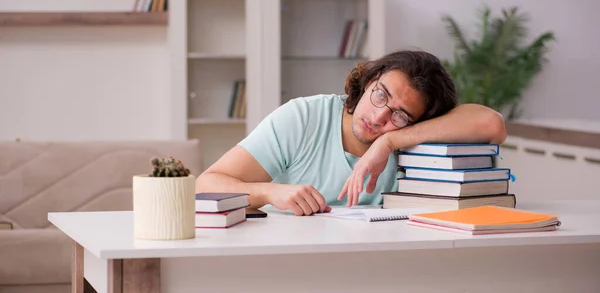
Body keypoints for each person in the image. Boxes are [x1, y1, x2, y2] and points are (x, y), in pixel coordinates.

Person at [195, 50, 507, 216]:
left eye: (400, 115)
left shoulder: (411, 136)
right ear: (370, 79)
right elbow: (205, 186)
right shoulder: (304, 117)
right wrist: (268, 192)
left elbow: (493, 124)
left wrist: (389, 142)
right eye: (380, 95)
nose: (379, 116)